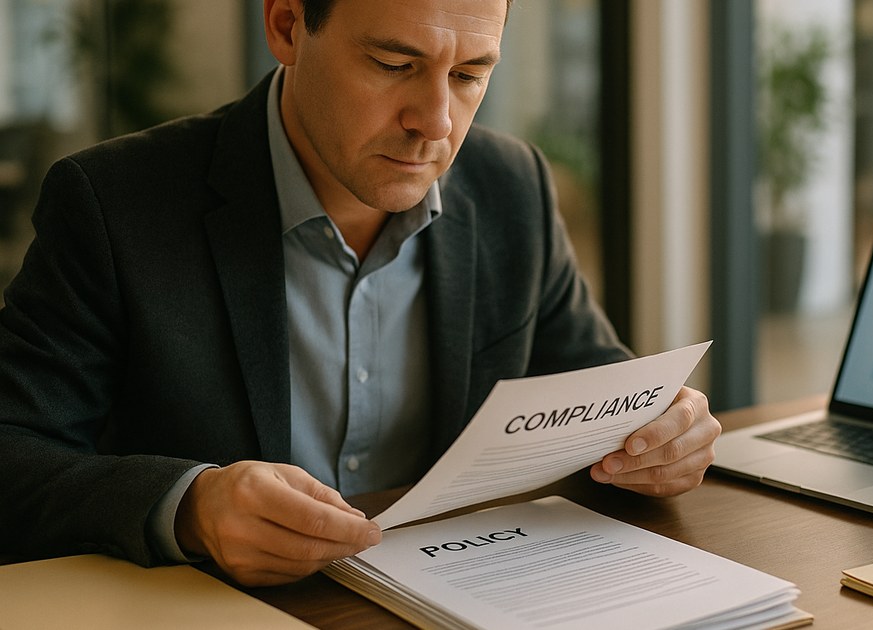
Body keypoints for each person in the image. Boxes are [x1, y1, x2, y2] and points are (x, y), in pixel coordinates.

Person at [0, 0, 721, 587]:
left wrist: (662, 434)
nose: (435, 123)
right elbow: (13, 449)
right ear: (286, 25)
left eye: (470, 74)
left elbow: (597, 385)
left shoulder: (512, 187)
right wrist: (191, 507)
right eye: (394, 64)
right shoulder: (113, 202)